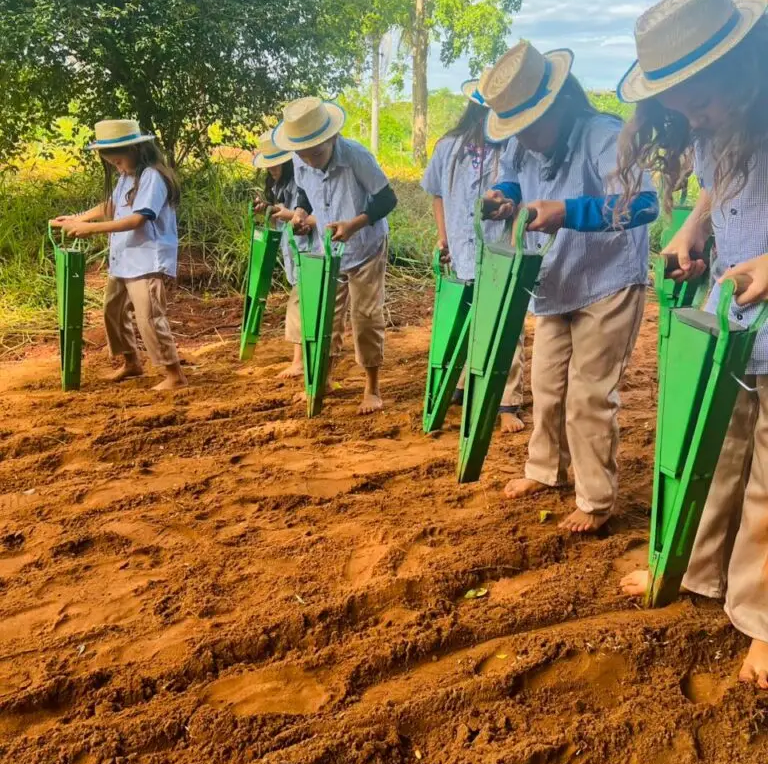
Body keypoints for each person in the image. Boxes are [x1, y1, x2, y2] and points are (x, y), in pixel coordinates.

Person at [614, 0, 768, 690]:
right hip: (732, 322)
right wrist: (691, 227)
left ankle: (763, 622)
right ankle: (696, 568)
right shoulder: (715, 127)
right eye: (682, 109)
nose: (695, 120)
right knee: (712, 448)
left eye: (701, 101)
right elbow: (714, 183)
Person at [481, 41, 658, 532]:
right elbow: (515, 178)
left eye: (531, 124)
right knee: (546, 386)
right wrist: (504, 198)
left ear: (557, 104)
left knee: (588, 396)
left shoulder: (602, 134)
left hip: (608, 279)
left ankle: (596, 500)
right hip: (556, 279)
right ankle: (544, 471)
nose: (525, 137)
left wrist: (568, 212)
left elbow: (644, 204)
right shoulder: (522, 141)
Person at [272, 97, 398, 414]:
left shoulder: (356, 156)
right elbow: (303, 192)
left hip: (365, 245)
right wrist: (300, 214)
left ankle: (372, 388)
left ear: (331, 138)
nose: (310, 161)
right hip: (328, 247)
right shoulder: (301, 159)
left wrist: (354, 224)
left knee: (366, 316)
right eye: (303, 155)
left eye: (316, 153)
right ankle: (322, 379)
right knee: (325, 315)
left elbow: (386, 199)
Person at [422, 78, 527, 433]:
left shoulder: (515, 148)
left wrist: (514, 241)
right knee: (464, 319)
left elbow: (526, 197)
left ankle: (507, 401)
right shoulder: (448, 148)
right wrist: (443, 237)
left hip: (500, 248)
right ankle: (466, 382)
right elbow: (437, 193)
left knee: (504, 323)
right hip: (463, 248)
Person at [50, 119, 186, 392]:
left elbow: (139, 219)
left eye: (120, 162)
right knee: (113, 310)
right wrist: (78, 218)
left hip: (146, 259)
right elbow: (113, 205)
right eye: (114, 165)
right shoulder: (129, 176)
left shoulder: (152, 177)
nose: (118, 168)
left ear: (136, 149)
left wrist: (90, 229)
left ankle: (174, 374)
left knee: (148, 316)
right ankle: (131, 361)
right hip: (124, 257)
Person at [252, 130, 315, 380]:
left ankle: (299, 361)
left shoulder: (302, 182)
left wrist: (290, 215)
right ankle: (305, 358)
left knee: (298, 305)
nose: (272, 170)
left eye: (276, 164)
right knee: (303, 303)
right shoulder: (277, 185)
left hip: (309, 250)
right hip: (294, 252)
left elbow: (312, 215)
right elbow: (283, 211)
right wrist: (268, 209)